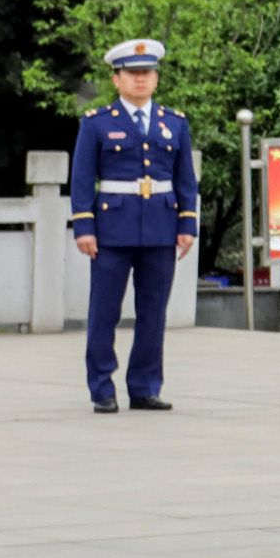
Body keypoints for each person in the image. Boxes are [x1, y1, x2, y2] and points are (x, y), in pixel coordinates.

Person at [70, 38, 199, 414]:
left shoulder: (173, 123)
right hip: (112, 230)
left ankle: (144, 387)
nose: (141, 80)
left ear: (156, 78)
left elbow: (185, 179)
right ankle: (101, 387)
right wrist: (84, 227)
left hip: (160, 228)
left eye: (148, 73)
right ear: (117, 79)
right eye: (133, 74)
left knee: (153, 313)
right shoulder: (97, 123)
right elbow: (82, 179)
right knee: (104, 312)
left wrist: (187, 223)